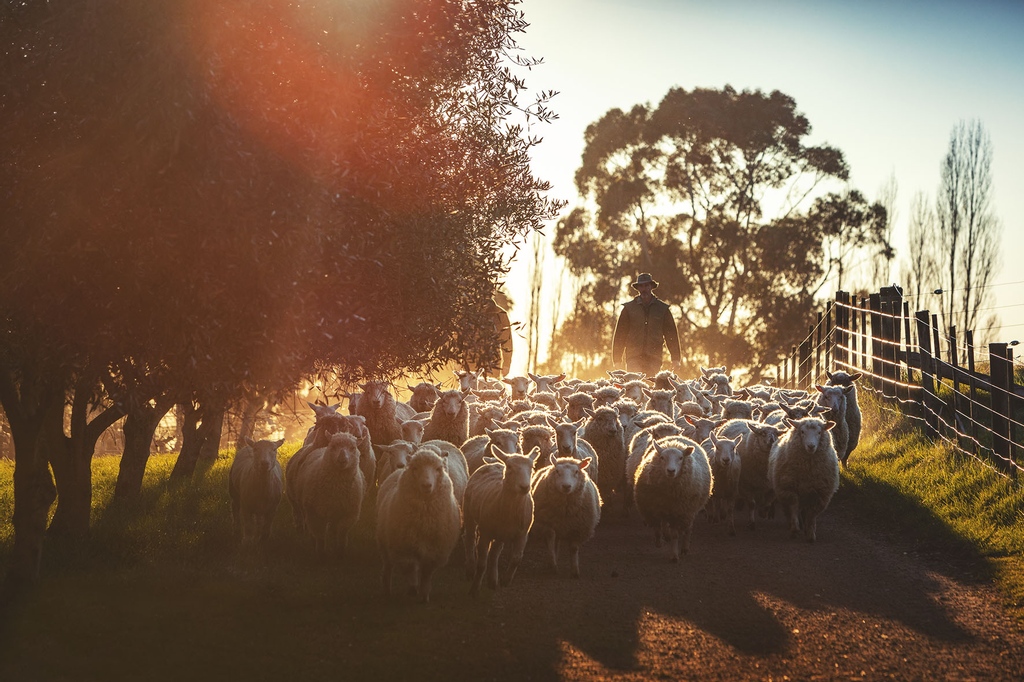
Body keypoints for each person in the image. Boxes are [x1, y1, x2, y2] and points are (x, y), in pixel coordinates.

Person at [611, 273, 681, 378]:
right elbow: (620, 335)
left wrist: (676, 358)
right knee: (635, 387)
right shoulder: (628, 309)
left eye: (647, 286)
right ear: (638, 288)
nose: (644, 289)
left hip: (654, 357)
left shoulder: (662, 309)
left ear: (651, 287)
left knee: (651, 388)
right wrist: (617, 359)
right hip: (633, 356)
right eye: (641, 286)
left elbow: (671, 336)